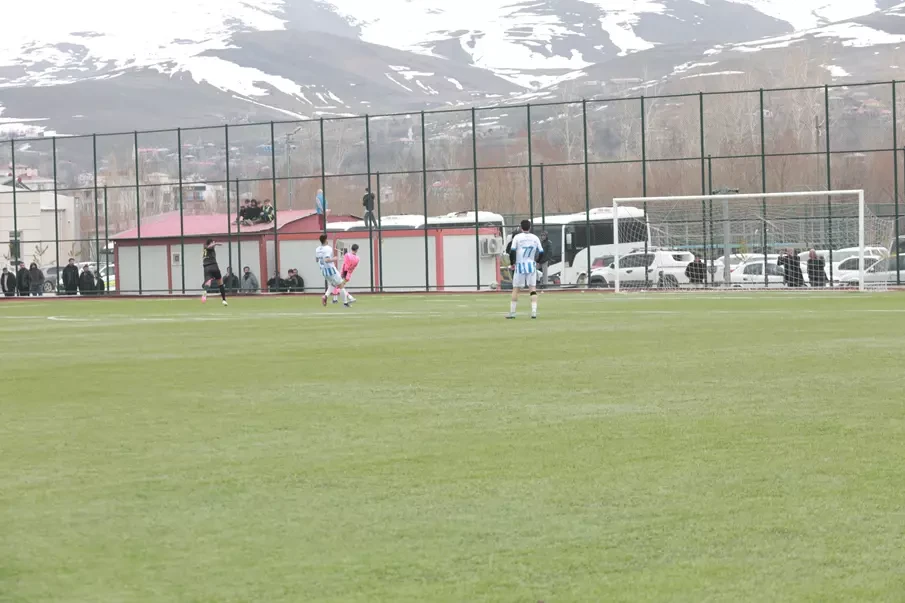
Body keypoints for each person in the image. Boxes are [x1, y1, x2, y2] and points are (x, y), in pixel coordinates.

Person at [507, 219, 543, 319]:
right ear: (530, 227)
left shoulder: (517, 237)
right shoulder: (535, 238)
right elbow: (541, 252)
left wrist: (512, 263)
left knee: (516, 289)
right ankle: (534, 312)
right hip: (531, 266)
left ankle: (512, 313)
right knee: (532, 289)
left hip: (520, 266)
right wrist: (537, 261)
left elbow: (512, 251)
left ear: (521, 227)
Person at [315, 234, 355, 307]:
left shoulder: (317, 249)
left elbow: (317, 260)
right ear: (325, 240)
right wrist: (334, 259)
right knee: (341, 285)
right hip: (331, 270)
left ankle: (325, 296)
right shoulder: (328, 248)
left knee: (333, 284)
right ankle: (345, 303)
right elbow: (327, 260)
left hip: (323, 271)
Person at [201, 239, 228, 306]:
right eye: (213, 242)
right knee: (220, 283)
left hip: (206, 267)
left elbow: (209, 247)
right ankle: (224, 300)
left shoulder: (205, 249)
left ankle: (205, 292)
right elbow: (210, 246)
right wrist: (216, 244)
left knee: (208, 282)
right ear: (210, 243)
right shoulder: (208, 247)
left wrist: (214, 244)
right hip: (213, 266)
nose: (214, 243)